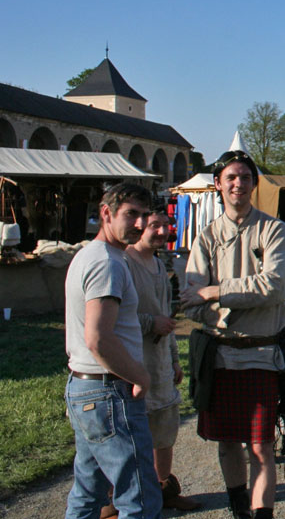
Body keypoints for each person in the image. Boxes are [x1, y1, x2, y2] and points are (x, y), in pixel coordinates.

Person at [180, 151, 285, 519]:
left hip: (261, 354)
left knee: (261, 446)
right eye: (230, 177)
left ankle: (263, 515)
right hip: (221, 356)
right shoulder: (207, 237)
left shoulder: (273, 229)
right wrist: (244, 297)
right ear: (218, 184)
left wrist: (217, 291)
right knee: (226, 443)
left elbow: (276, 287)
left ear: (254, 183)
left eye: (244, 177)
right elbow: (190, 304)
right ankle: (238, 507)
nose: (237, 183)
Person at [63, 182, 162, 519]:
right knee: (140, 499)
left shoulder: (90, 256)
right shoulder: (108, 262)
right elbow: (99, 338)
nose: (140, 223)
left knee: (89, 493)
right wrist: (140, 375)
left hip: (87, 388)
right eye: (131, 214)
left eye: (144, 215)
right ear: (106, 213)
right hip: (108, 391)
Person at [125, 208, 200, 512]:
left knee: (165, 430)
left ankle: (163, 489)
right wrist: (149, 323)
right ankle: (128, 498)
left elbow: (166, 315)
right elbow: (115, 317)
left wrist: (173, 360)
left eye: (166, 225)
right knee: (134, 434)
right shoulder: (124, 263)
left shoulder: (158, 264)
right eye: (155, 225)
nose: (161, 231)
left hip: (159, 362)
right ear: (139, 225)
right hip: (133, 361)